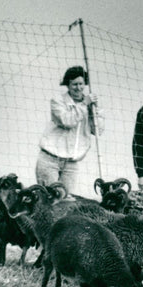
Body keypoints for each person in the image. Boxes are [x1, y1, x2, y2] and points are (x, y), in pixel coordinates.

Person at [35, 65, 103, 193]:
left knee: (67, 202)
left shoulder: (89, 104)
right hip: (50, 160)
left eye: (81, 84)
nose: (78, 88)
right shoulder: (58, 101)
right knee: (49, 199)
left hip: (71, 163)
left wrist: (95, 111)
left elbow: (98, 130)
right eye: (74, 84)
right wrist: (84, 105)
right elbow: (67, 121)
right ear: (68, 84)